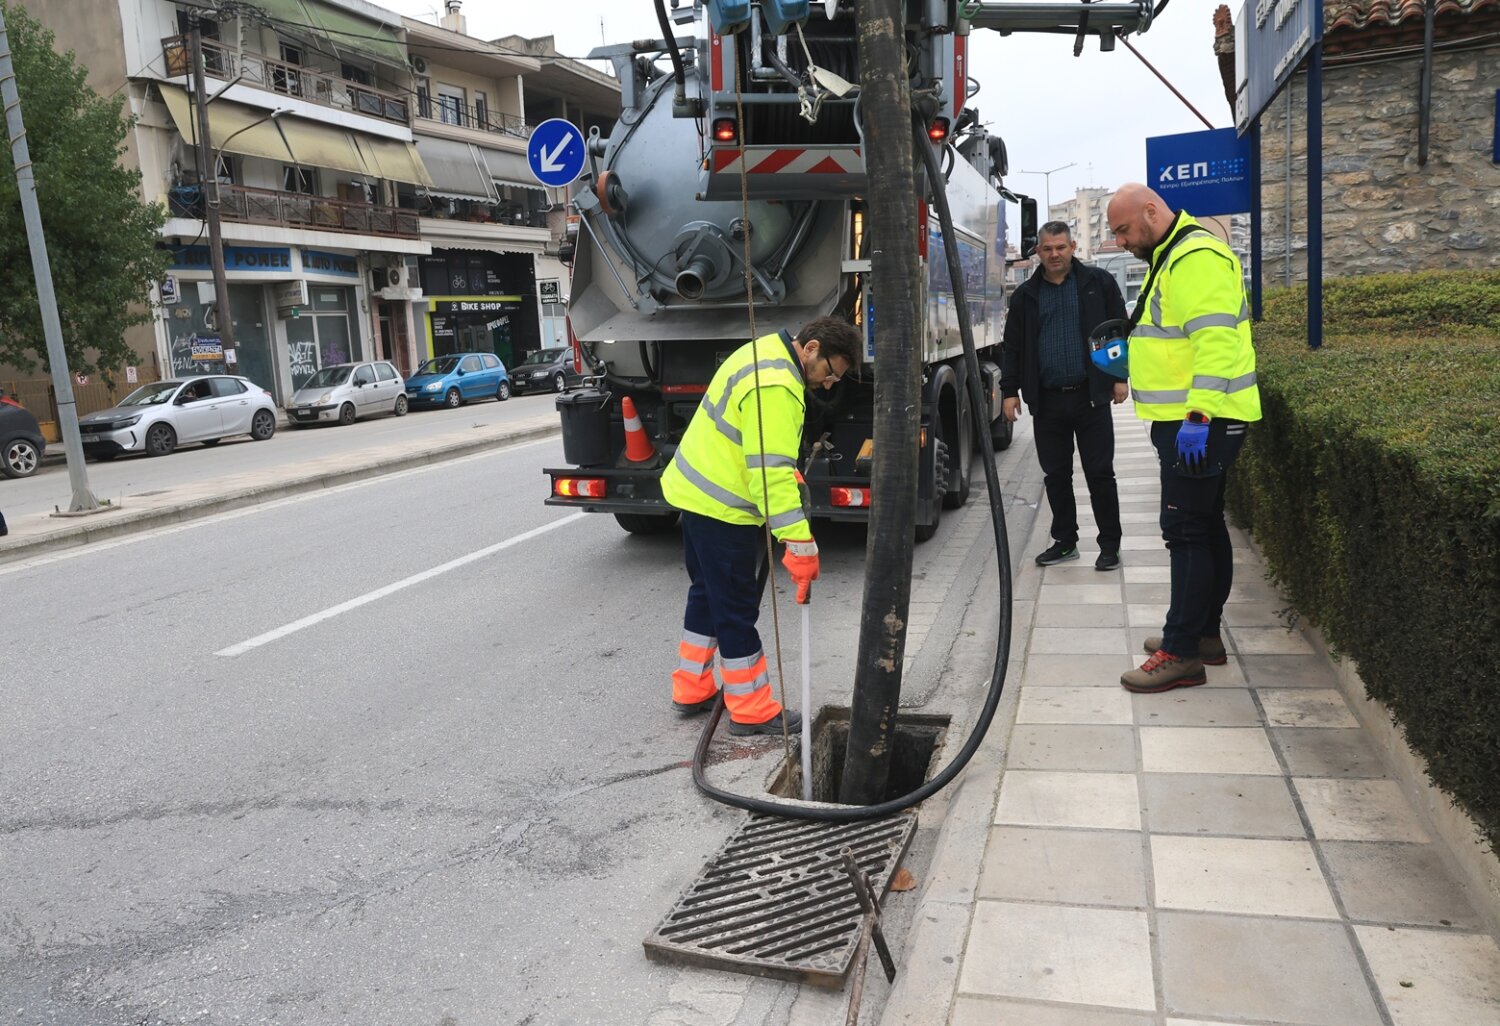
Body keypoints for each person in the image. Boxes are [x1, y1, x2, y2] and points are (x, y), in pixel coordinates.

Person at [660, 316, 861, 735]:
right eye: (829, 372)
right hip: (721, 506)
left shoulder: (764, 352)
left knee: (707, 592)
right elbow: (768, 473)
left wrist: (786, 471)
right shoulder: (778, 386)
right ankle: (751, 709)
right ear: (811, 348)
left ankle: (692, 687)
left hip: (695, 493)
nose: (828, 384)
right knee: (734, 605)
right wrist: (799, 542)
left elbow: (758, 448)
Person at [1105, 183, 1262, 693]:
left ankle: (1181, 652)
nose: (1122, 241)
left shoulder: (1192, 256)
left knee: (1185, 529)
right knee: (1205, 525)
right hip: (1194, 419)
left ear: (1152, 211)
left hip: (1202, 422)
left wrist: (1198, 416)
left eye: (1124, 229)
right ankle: (1203, 636)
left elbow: (1215, 341)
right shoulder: (1171, 253)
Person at [1000, 221, 1130, 571]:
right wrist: (1009, 391)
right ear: (1038, 252)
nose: (1054, 254)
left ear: (1072, 247)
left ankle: (1110, 545)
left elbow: (1118, 331)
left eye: (1060, 247)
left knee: (1100, 473)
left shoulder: (1097, 283)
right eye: (1047, 249)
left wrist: (1119, 377)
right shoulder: (1026, 296)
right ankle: (1065, 541)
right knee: (1055, 475)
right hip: (1047, 400)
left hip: (1091, 397)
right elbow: (1012, 347)